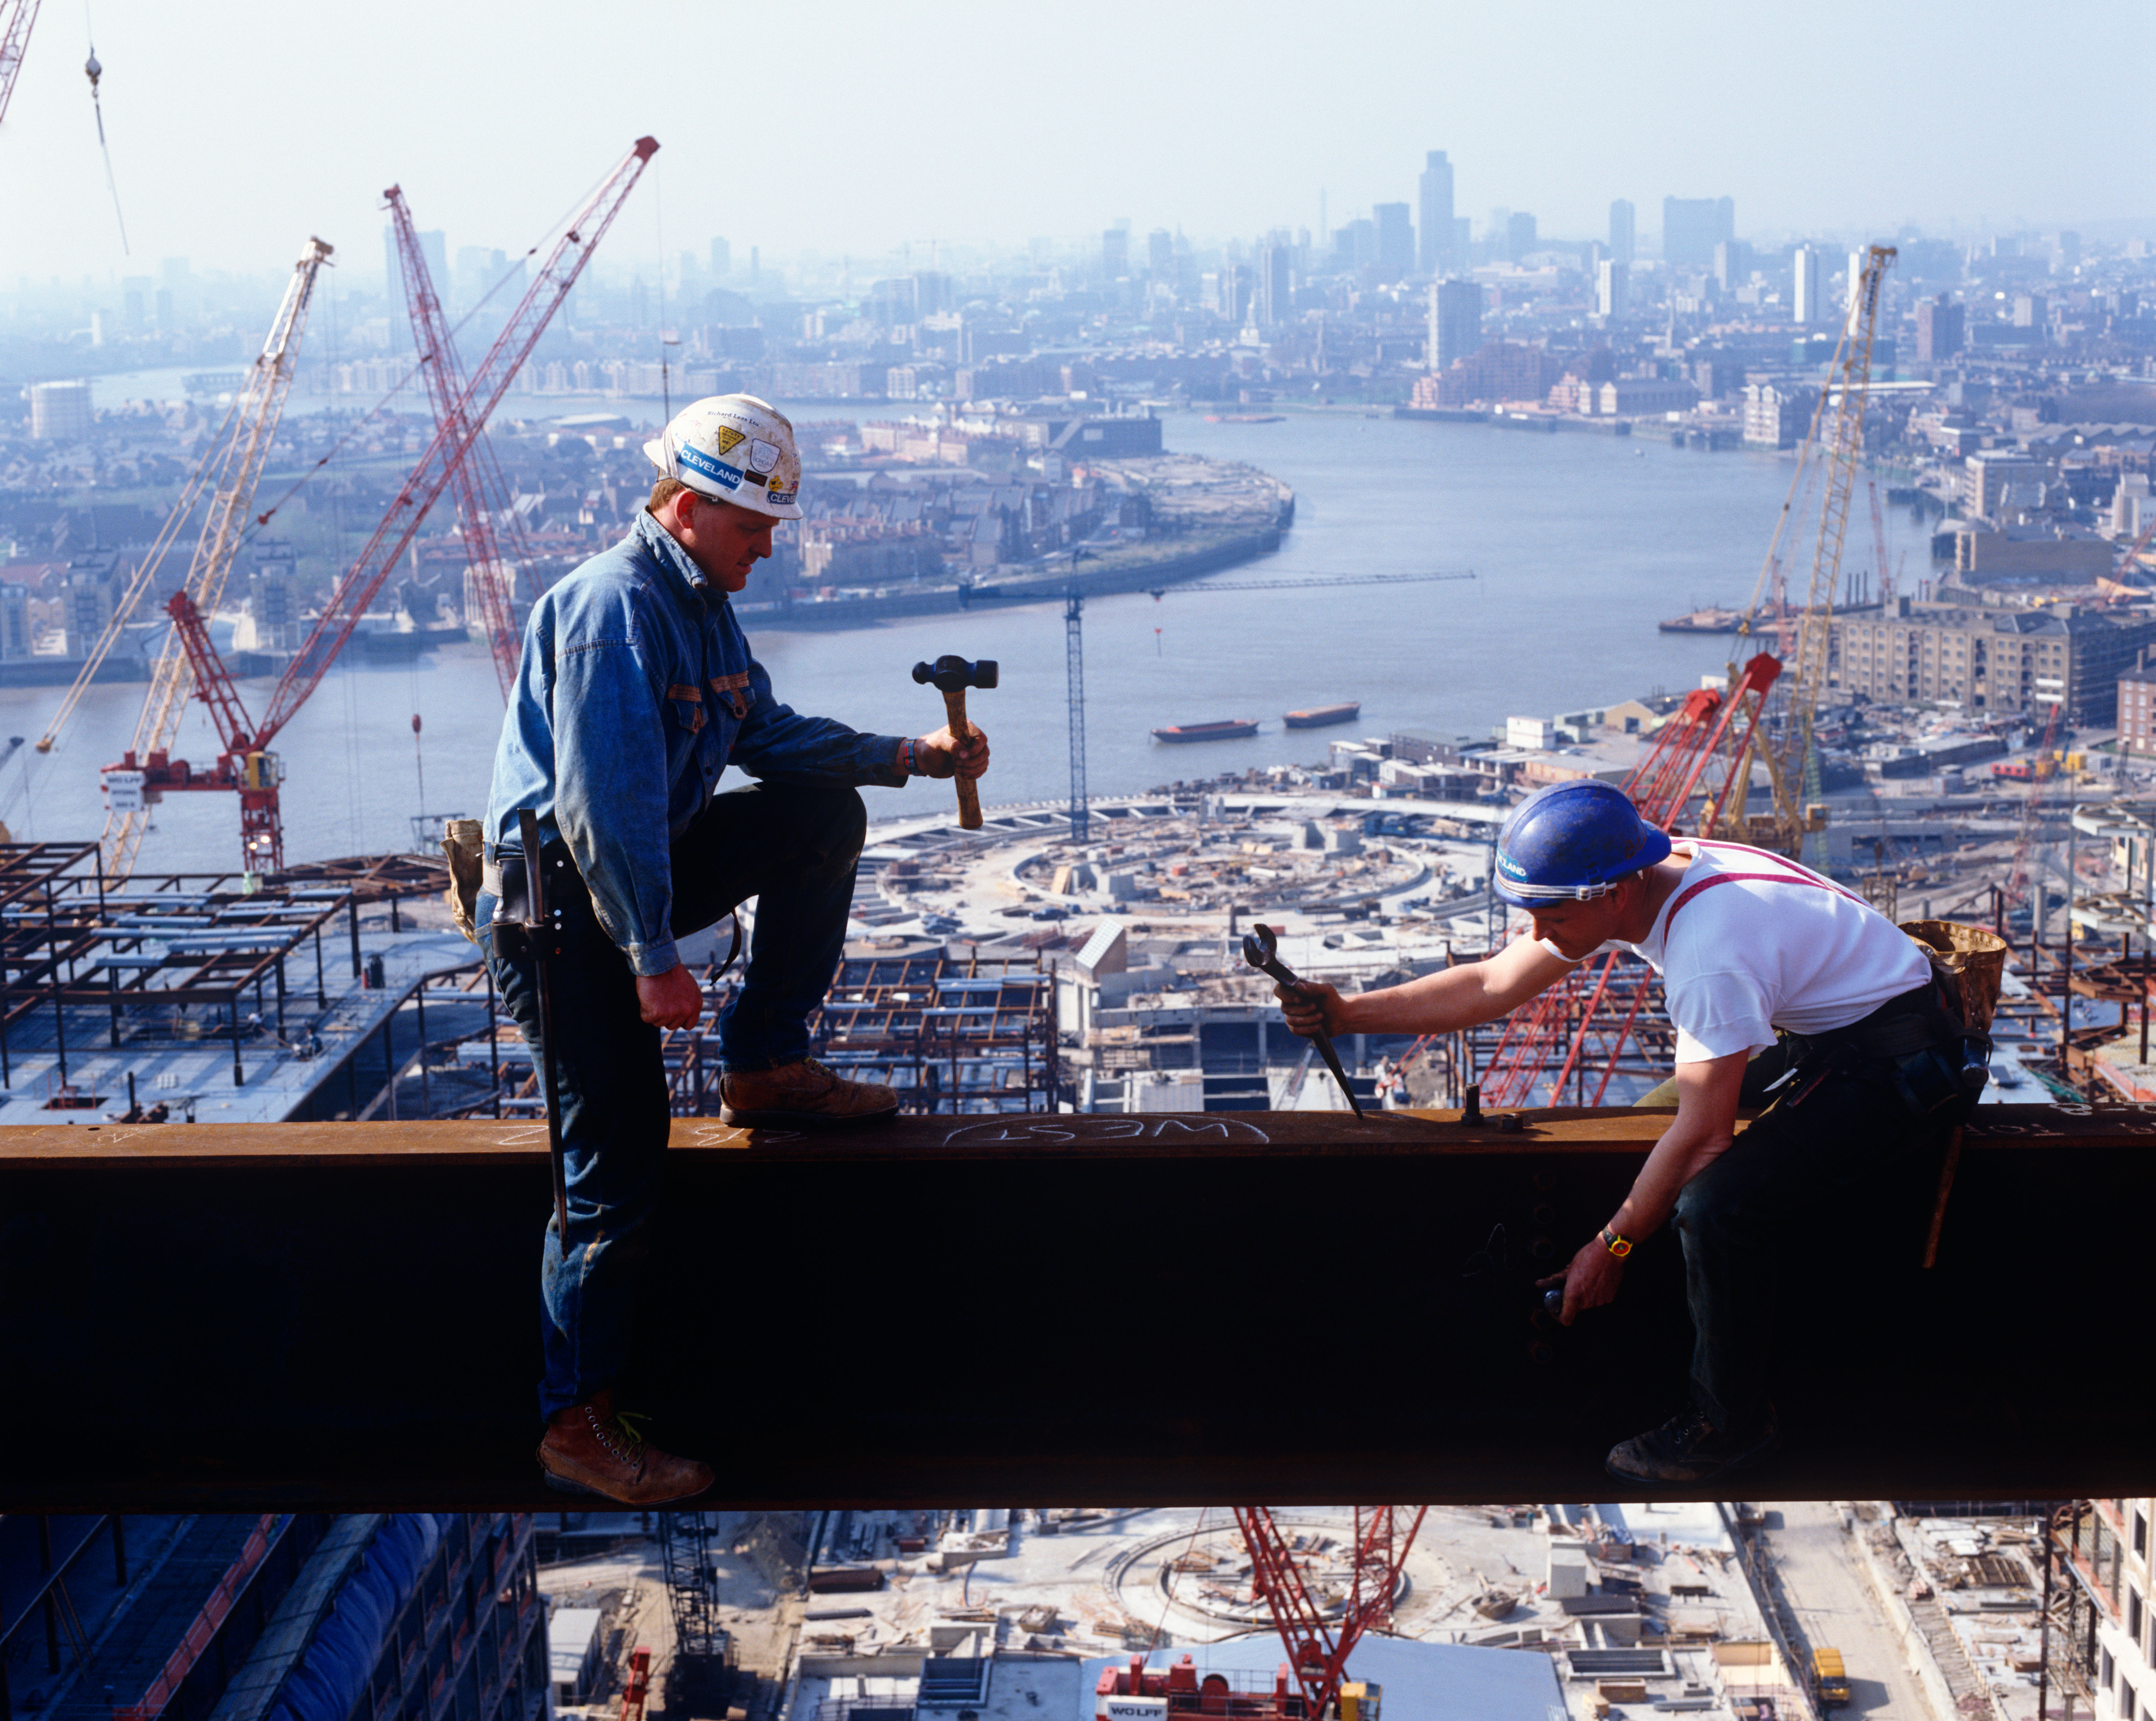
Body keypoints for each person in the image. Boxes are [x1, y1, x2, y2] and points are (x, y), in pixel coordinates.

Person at [478, 394, 989, 1504]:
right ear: (688, 505)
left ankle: (764, 1061)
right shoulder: (617, 611)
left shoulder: (700, 605)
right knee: (613, 1160)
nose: (768, 544)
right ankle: (574, 1417)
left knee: (822, 816)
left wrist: (909, 753)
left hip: (631, 866)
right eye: (754, 525)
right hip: (566, 908)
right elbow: (603, 806)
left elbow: (765, 732)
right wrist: (654, 954)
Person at [1272, 780, 1984, 1485]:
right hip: (1840, 1030)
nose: (1537, 936)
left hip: (1903, 1066)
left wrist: (1611, 1244)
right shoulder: (1647, 873)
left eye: (1548, 918)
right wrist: (1347, 1012)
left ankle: (1727, 1422)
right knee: (1655, 1111)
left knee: (1717, 1206)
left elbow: (1704, 1139)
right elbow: (1494, 984)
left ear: (1612, 894)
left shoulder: (1708, 950)